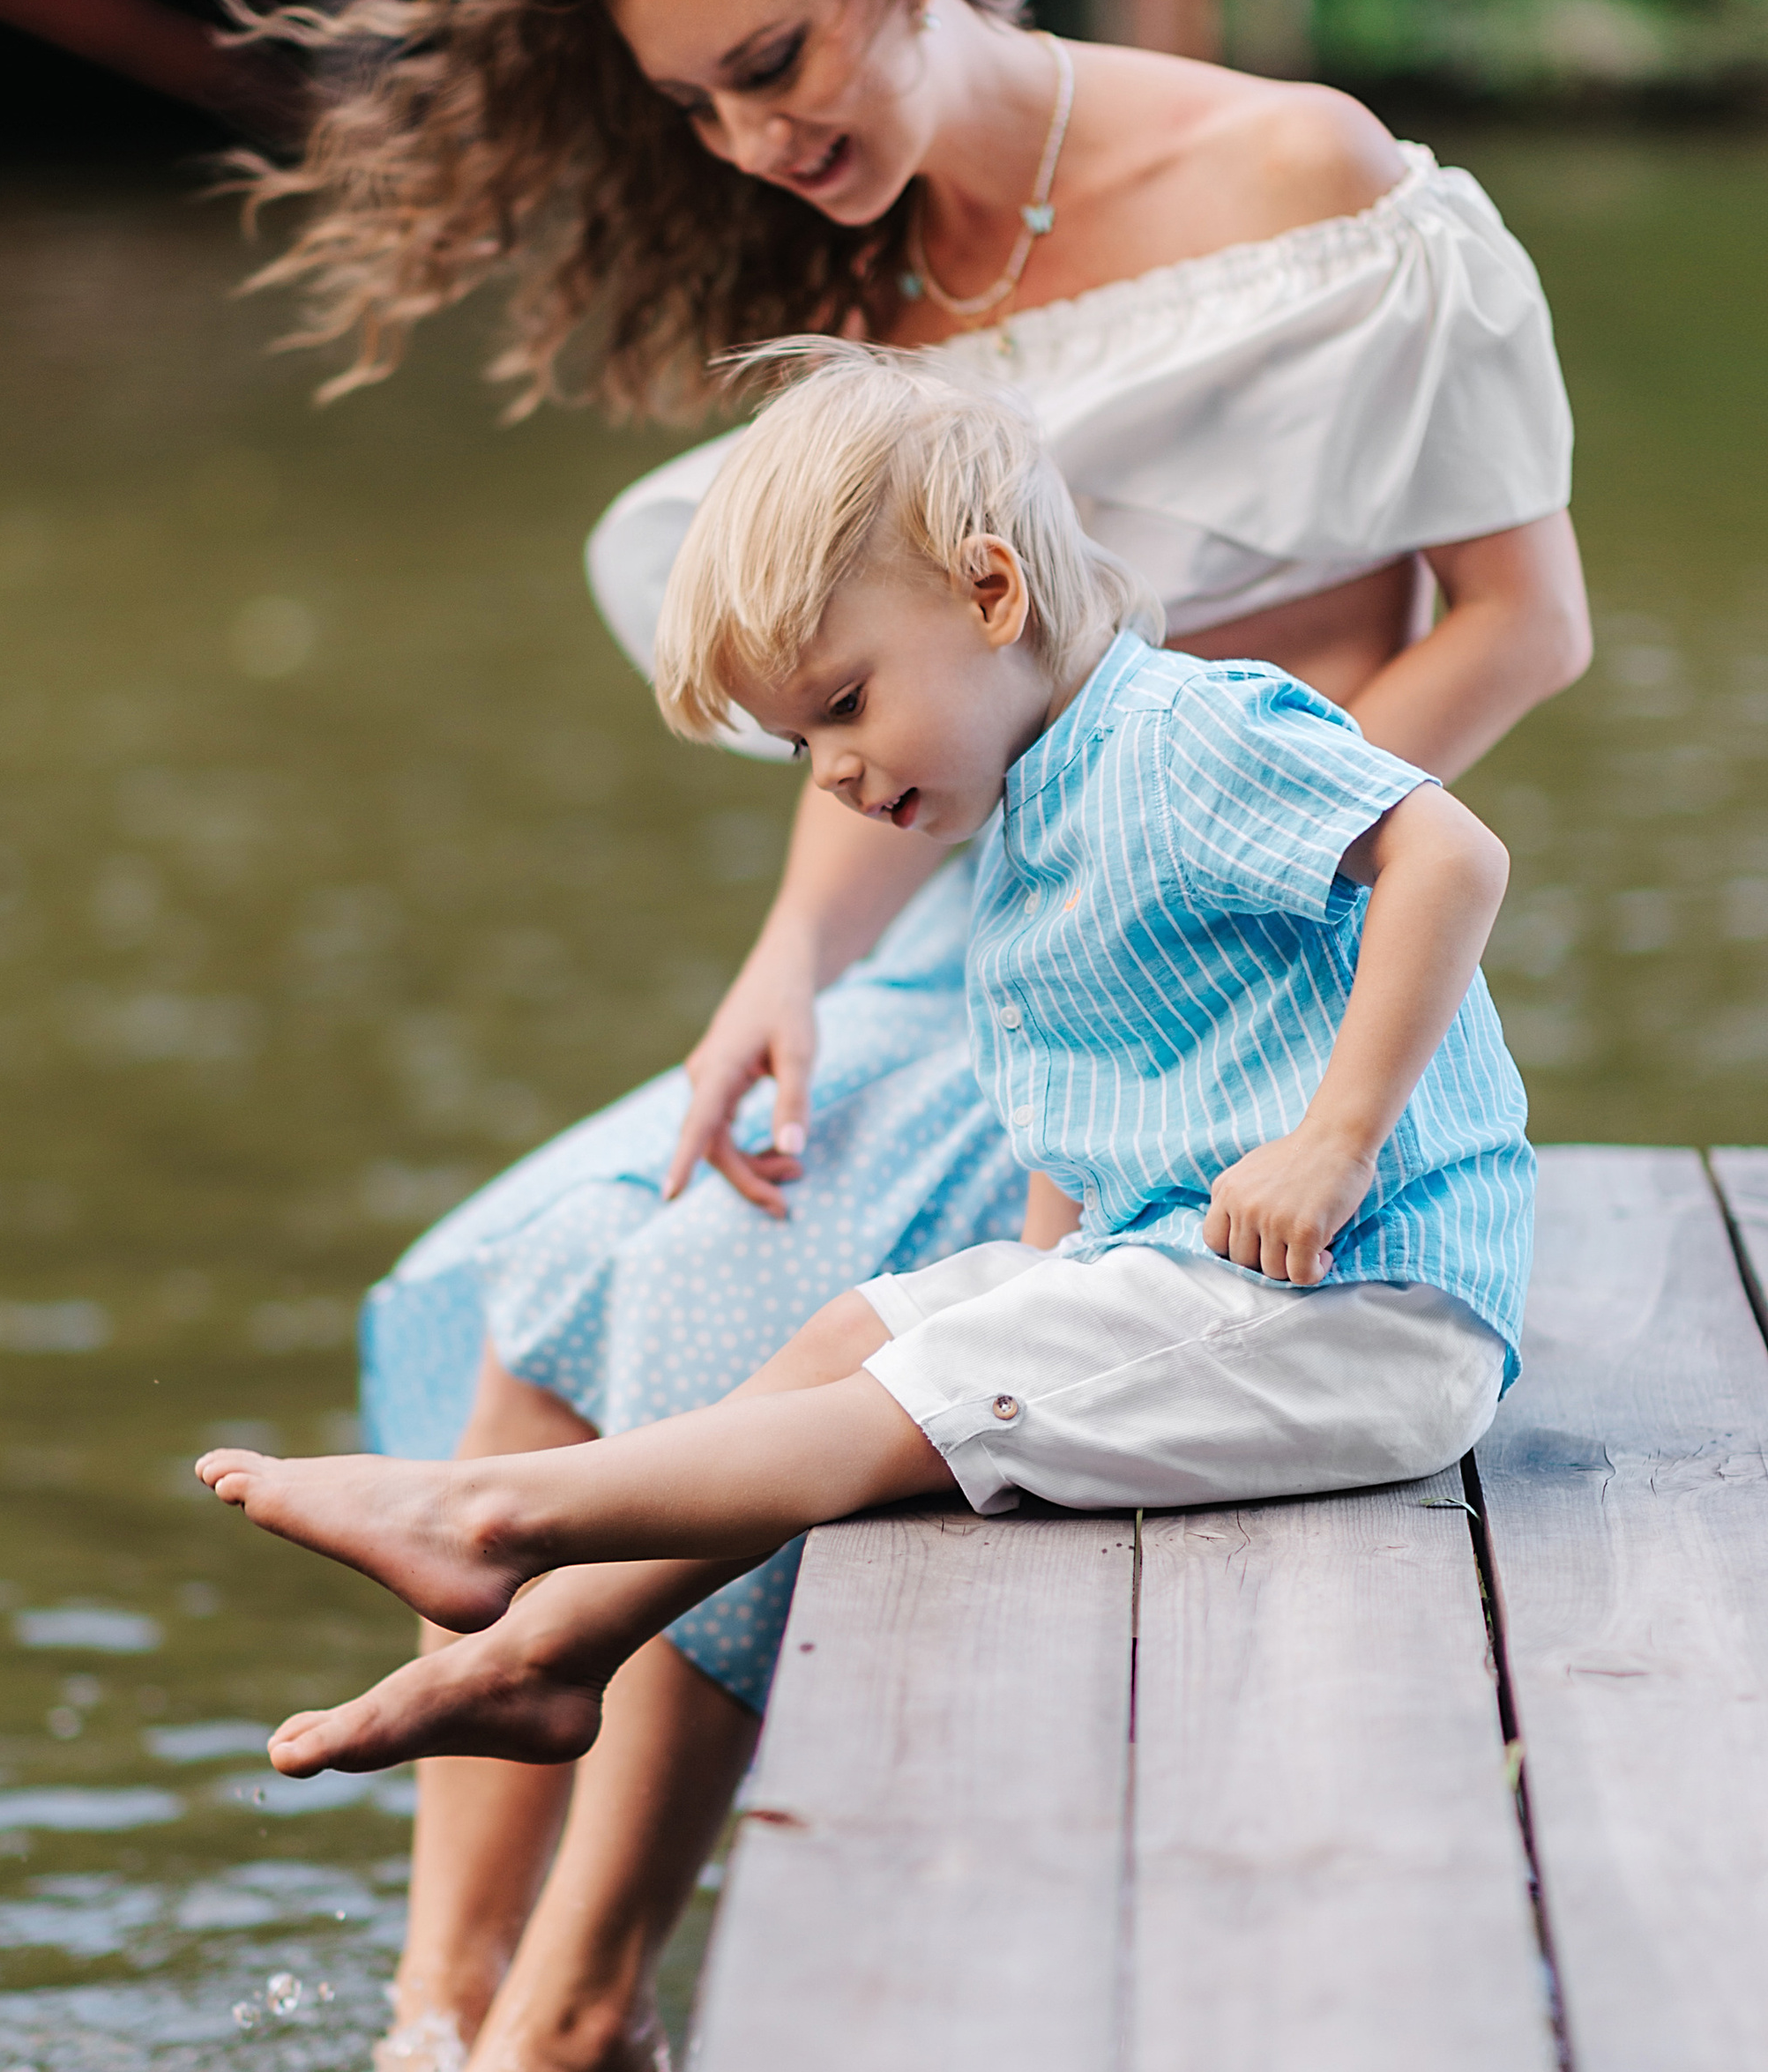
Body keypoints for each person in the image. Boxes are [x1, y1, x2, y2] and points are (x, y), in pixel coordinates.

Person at [241, 0, 1587, 2072]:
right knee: (551, 1258)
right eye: (699, 109)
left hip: (1197, 966)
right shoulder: (875, 275)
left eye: (777, 61)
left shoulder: (1299, 176)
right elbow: (889, 718)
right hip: (961, 936)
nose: (755, 142)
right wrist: (776, 971)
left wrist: (1189, 885)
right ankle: (436, 2028)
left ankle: (567, 2032)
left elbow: (1521, 627)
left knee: (719, 1295)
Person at [201, 346, 1525, 1809]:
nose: (829, 768)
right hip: (1207, 1282)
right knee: (855, 1330)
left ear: (991, 594)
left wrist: (1337, 1143)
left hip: (1359, 1309)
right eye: (796, 740)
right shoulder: (1036, 806)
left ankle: (494, 1515)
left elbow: (1451, 855)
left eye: (843, 700)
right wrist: (1038, 1283)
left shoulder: (1184, 733)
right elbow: (1099, 1088)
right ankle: (558, 1651)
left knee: (905, 1401)